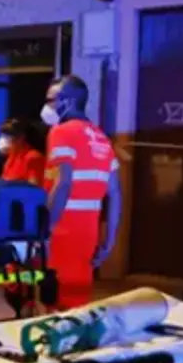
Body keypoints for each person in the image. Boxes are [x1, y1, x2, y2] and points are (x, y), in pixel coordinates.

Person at [42, 75, 121, 309]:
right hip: (87, 234)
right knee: (76, 304)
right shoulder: (101, 138)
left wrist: (44, 230)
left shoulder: (62, 132)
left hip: (61, 231)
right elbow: (115, 192)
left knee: (53, 306)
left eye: (51, 100)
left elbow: (63, 183)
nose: (47, 106)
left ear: (68, 102)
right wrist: (109, 241)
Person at [0, 118, 46, 186]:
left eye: (7, 136)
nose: (3, 139)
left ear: (20, 138)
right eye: (2, 135)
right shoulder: (12, 156)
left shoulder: (33, 157)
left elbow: (34, 190)